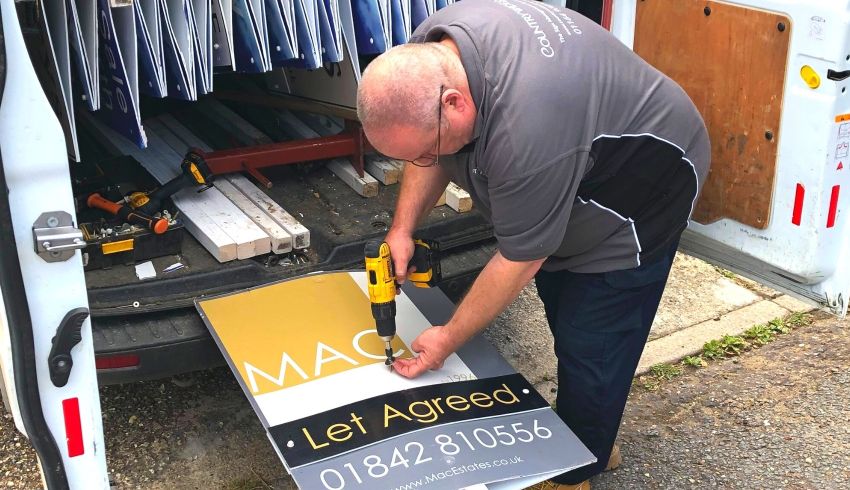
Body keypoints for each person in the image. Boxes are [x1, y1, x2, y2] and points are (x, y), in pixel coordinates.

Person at [356, 0, 710, 488]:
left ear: (453, 103)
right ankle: (593, 428)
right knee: (564, 306)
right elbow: (431, 155)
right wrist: (402, 228)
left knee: (593, 342)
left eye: (427, 152)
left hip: (643, 187)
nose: (425, 161)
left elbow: (521, 257)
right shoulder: (432, 51)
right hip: (572, 152)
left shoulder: (530, 123)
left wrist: (447, 338)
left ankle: (579, 468)